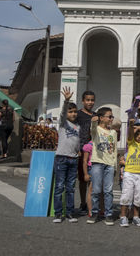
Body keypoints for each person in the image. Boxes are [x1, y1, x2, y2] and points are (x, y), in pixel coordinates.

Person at [52, 87, 80, 223]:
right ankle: (58, 213)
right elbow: (62, 113)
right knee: (59, 186)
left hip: (73, 159)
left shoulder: (78, 127)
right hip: (61, 158)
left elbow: (77, 142)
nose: (73, 114)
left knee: (70, 188)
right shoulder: (63, 124)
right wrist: (66, 101)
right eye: (71, 111)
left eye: (75, 112)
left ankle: (69, 212)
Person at [87, 107, 118, 225]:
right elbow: (93, 129)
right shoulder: (96, 130)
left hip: (109, 164)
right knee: (96, 190)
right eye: (109, 116)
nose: (111, 119)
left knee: (108, 190)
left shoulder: (113, 132)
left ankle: (108, 214)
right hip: (97, 163)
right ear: (101, 118)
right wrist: (94, 121)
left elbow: (114, 150)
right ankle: (94, 213)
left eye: (112, 117)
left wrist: (115, 166)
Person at [76, 90, 95, 214]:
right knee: (82, 178)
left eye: (92, 100)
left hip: (93, 151)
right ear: (83, 101)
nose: (90, 102)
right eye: (87, 100)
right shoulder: (77, 115)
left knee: (92, 179)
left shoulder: (96, 115)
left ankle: (91, 204)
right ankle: (83, 203)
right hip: (81, 150)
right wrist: (77, 148)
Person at [81, 141, 94, 217]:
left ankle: (101, 209)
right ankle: (90, 210)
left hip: (100, 168)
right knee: (91, 190)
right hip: (91, 168)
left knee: (100, 190)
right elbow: (85, 161)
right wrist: (85, 174)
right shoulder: (89, 145)